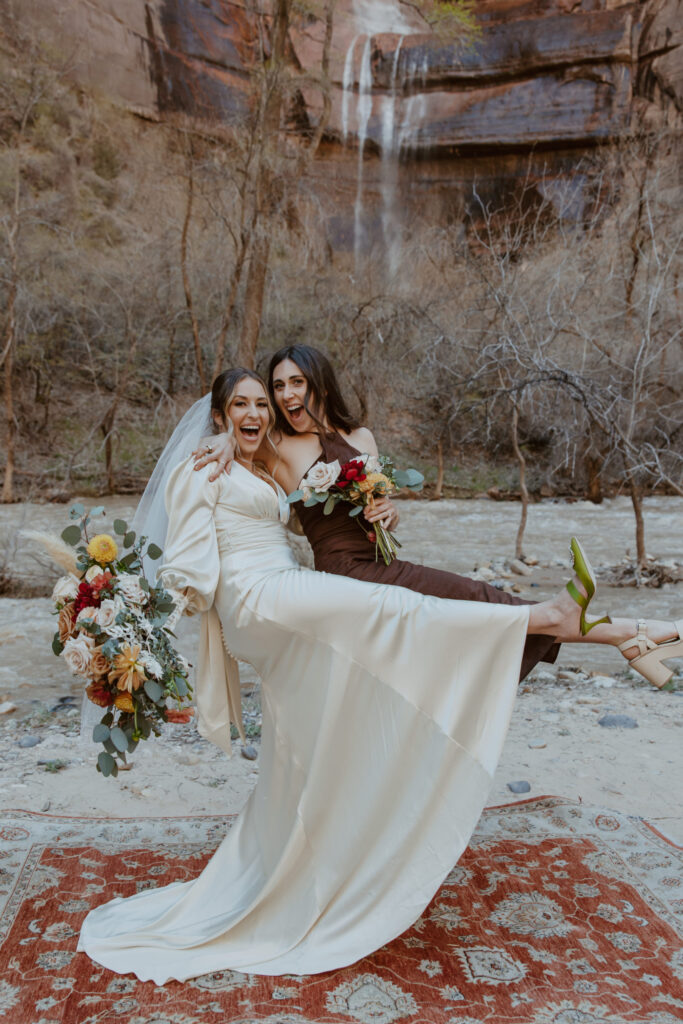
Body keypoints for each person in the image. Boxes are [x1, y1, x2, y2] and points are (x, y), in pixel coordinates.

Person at [77, 369, 681, 985]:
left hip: (290, 586)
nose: (264, 408)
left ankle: (620, 631)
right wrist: (137, 625)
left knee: (415, 636)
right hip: (260, 595)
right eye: (245, 403)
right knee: (401, 610)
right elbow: (183, 554)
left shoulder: (260, 460)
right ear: (218, 413)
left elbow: (296, 507)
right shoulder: (204, 465)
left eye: (268, 399)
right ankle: (575, 619)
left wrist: (360, 499)